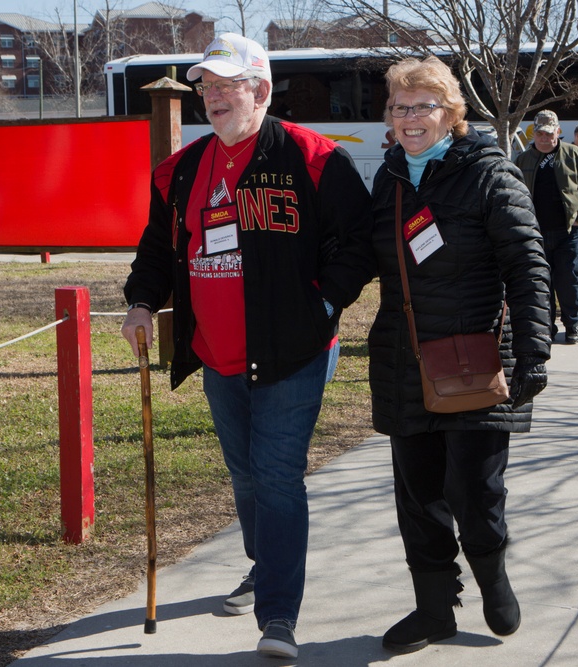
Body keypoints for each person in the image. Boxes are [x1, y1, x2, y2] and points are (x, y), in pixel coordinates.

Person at [120, 33, 372, 660]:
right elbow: (158, 246)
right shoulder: (182, 170)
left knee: (278, 476)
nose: (212, 97)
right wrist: (141, 301)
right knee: (245, 474)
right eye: (206, 86)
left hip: (295, 351)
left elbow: (360, 242)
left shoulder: (314, 158)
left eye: (225, 85)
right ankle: (265, 564)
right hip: (217, 354)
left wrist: (322, 303)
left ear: (260, 89)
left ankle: (278, 616)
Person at [368, 56, 552, 654]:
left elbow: (527, 266)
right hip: (404, 359)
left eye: (424, 106)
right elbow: (359, 259)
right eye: (401, 107)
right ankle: (433, 608)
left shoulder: (489, 174)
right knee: (418, 495)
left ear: (451, 114)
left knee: (475, 490)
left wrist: (532, 350)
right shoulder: (389, 178)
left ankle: (492, 576)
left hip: (475, 358)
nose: (411, 118)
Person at [515, 110, 578, 343]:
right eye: (539, 133)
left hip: (567, 231)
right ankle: (546, 327)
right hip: (536, 233)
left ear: (558, 132)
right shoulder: (523, 160)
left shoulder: (574, 154)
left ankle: (572, 324)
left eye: (548, 134)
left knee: (569, 279)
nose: (544, 138)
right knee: (541, 282)